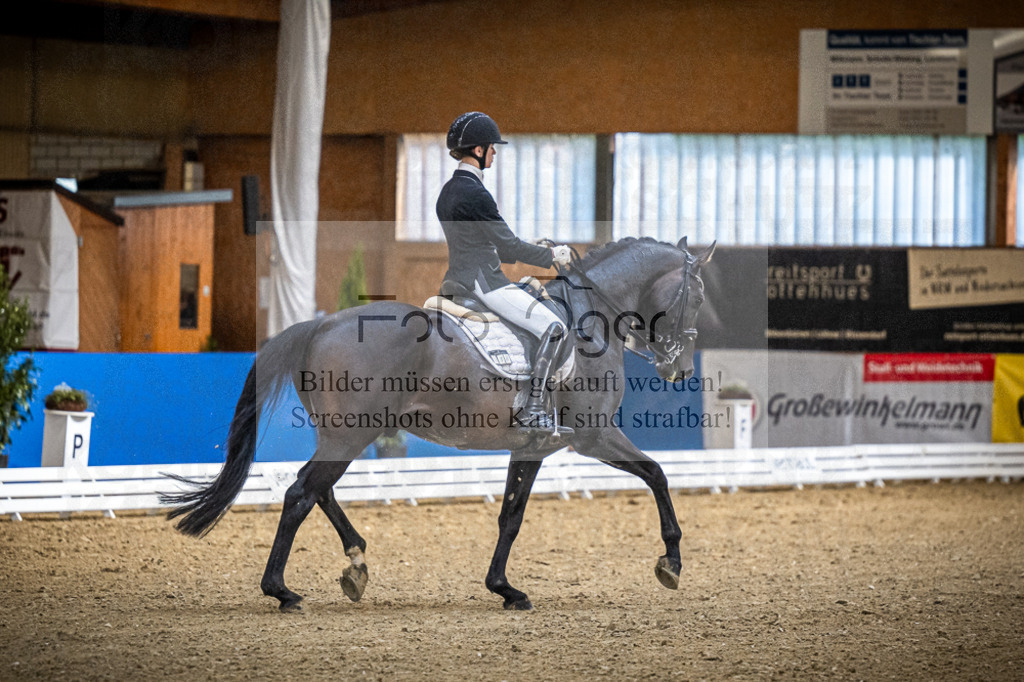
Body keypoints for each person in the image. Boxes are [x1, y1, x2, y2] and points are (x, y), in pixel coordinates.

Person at [436, 111, 573, 436]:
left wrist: (529, 248)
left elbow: (480, 243)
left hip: (458, 277)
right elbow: (508, 246)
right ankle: (534, 409)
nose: (495, 152)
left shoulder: (448, 190)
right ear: (478, 150)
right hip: (485, 283)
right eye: (491, 147)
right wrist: (551, 255)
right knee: (554, 327)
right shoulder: (476, 193)